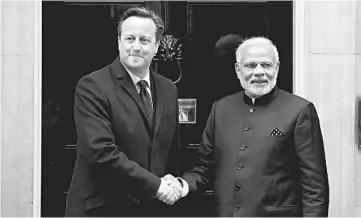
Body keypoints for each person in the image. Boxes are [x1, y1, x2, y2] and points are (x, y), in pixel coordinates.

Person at [164, 36, 329, 217]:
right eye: (250, 65)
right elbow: (205, 169)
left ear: (277, 68)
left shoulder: (300, 111)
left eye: (266, 65)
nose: (259, 72)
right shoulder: (221, 109)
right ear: (238, 70)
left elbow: (314, 186)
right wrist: (181, 185)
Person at [65, 7, 182, 217]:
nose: (136, 47)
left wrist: (173, 183)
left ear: (156, 47)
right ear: (119, 42)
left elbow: (170, 149)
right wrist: (156, 186)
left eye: (144, 40)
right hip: (102, 209)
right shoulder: (92, 86)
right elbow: (101, 152)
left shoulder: (168, 89)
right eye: (129, 39)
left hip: (151, 209)